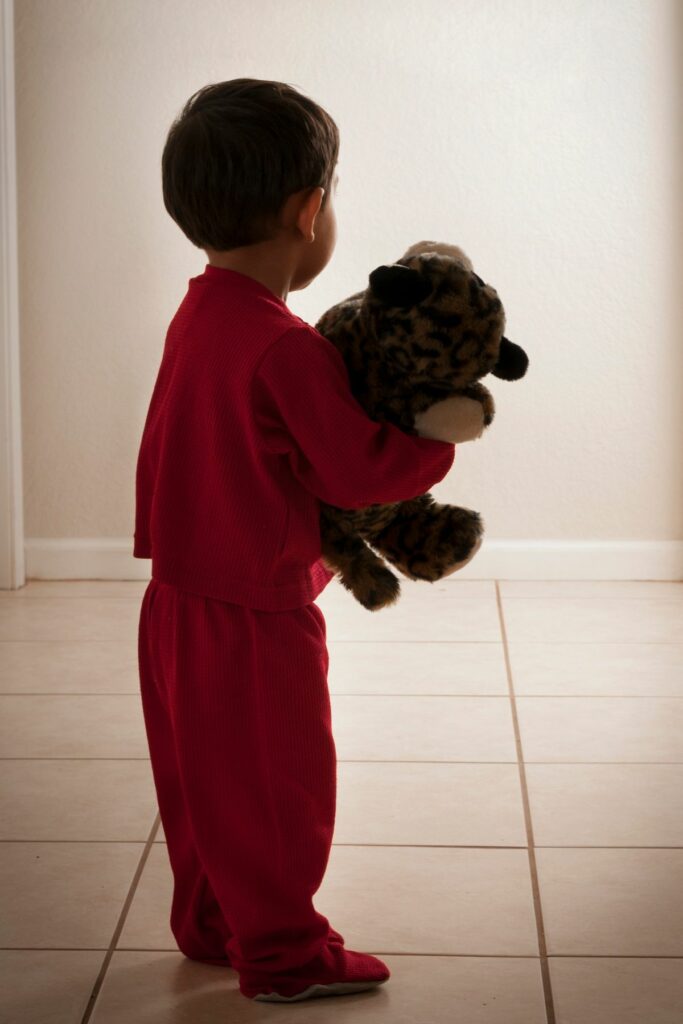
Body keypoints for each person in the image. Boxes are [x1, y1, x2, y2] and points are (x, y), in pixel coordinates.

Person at [133, 77, 456, 1003]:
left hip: (176, 607)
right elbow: (354, 471)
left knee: (202, 784)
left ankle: (210, 920)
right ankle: (280, 953)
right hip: (253, 612)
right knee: (278, 789)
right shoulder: (286, 346)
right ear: (308, 210)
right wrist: (429, 447)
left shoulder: (199, 314)